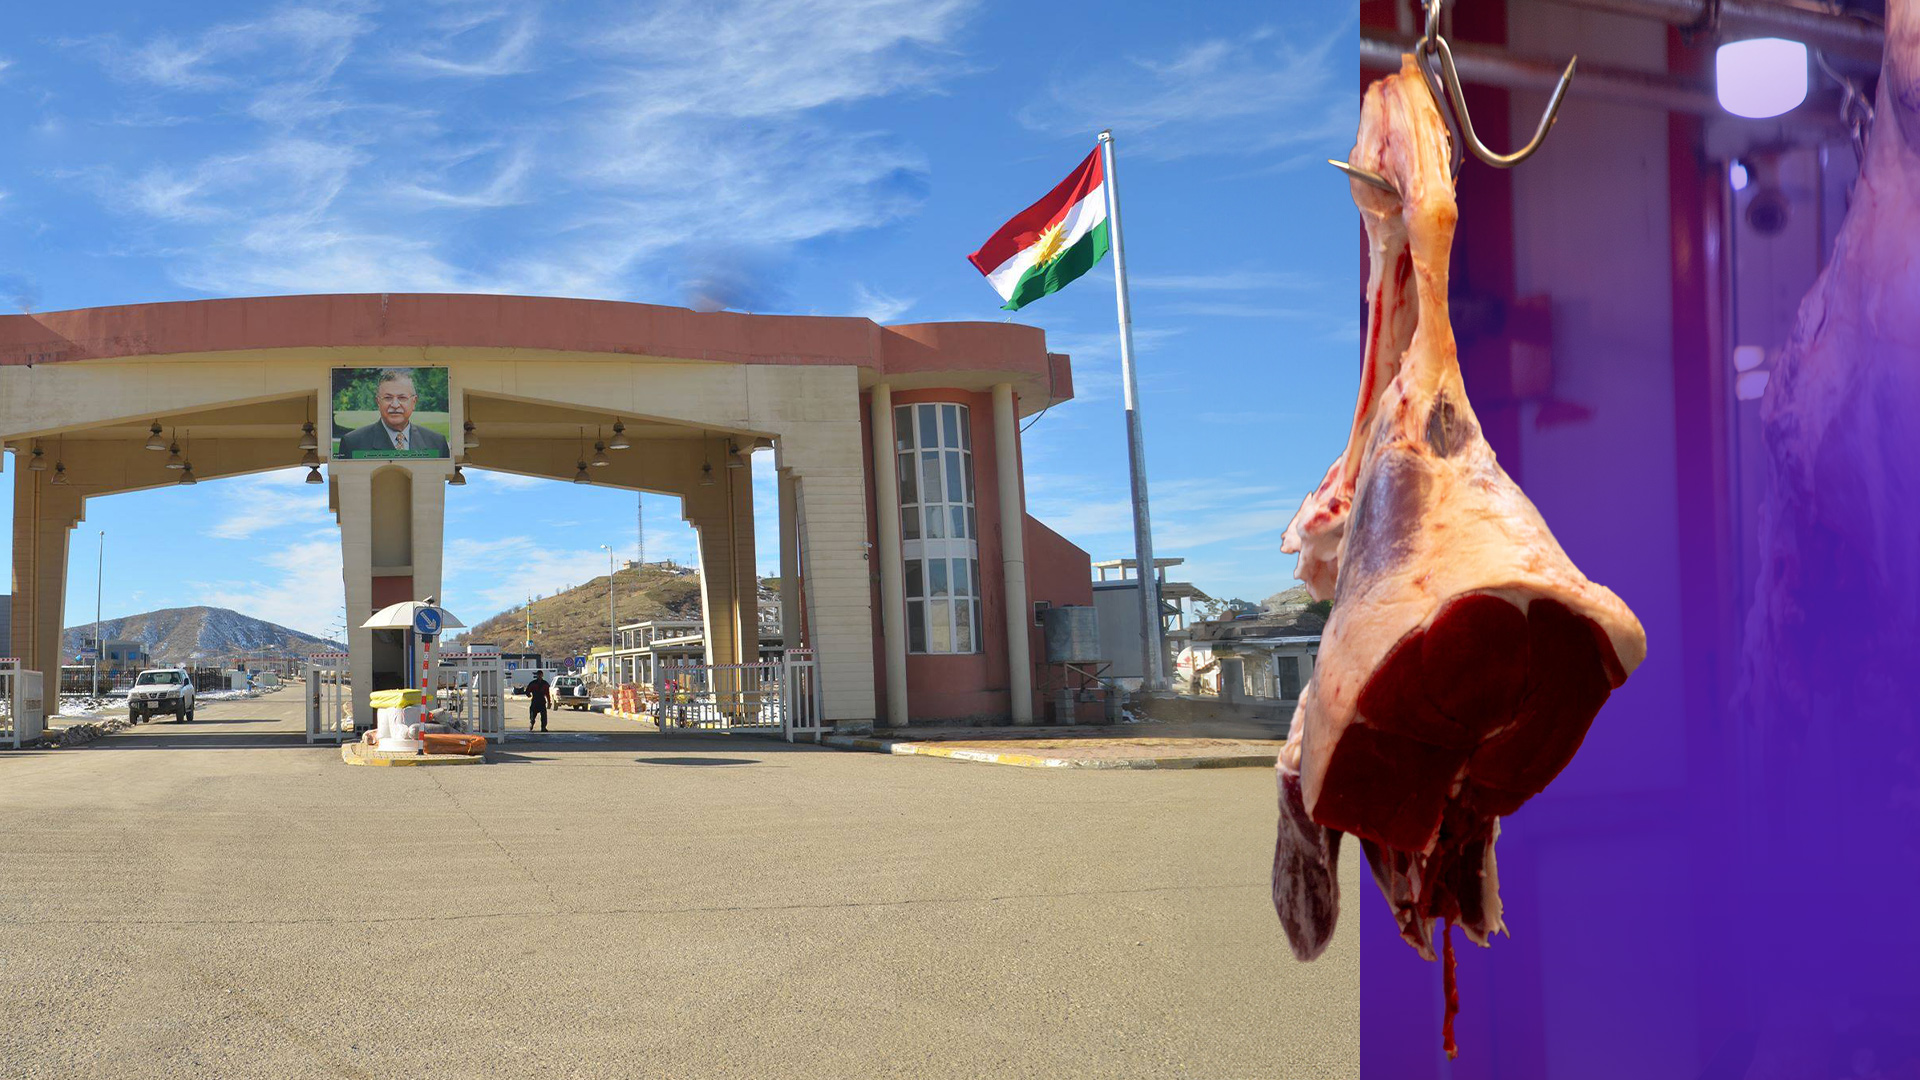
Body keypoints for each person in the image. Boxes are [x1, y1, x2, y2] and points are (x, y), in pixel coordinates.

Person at [337, 368, 450, 457]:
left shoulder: (438, 443)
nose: (395, 405)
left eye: (402, 398)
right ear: (378, 402)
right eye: (388, 398)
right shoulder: (352, 442)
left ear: (414, 402)